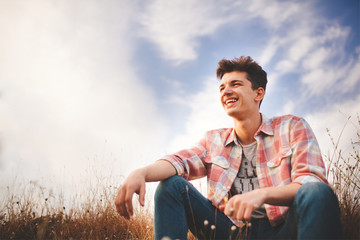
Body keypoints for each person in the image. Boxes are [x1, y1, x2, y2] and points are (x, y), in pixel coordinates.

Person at [115, 56, 342, 240]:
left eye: (235, 84)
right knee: (171, 186)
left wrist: (261, 195)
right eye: (222, 87)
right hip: (231, 233)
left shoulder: (292, 127)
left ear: (258, 93)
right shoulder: (213, 141)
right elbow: (178, 161)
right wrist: (141, 173)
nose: (225, 91)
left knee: (318, 192)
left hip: (283, 231)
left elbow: (311, 183)